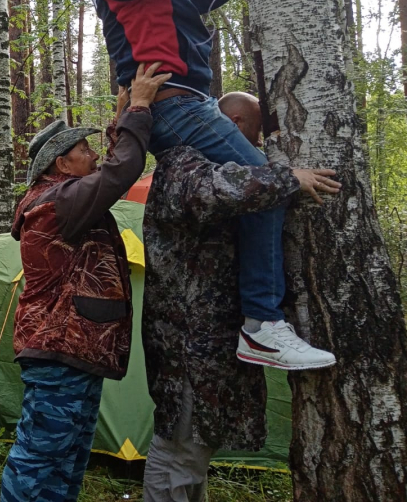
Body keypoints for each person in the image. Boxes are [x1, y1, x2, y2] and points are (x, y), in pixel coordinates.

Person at [90, 0, 335, 370]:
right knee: (266, 188)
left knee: (244, 198)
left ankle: (260, 318)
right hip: (176, 105)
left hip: (186, 105)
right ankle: (262, 325)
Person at [141, 93, 341, 501]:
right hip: (189, 349)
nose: (257, 149)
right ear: (232, 122)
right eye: (254, 134)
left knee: (192, 452)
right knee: (180, 449)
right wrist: (287, 177)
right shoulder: (182, 161)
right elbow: (211, 192)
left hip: (210, 345)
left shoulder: (207, 160)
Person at [0, 62, 170, 502]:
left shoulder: (62, 196)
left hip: (74, 352)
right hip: (60, 351)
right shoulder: (58, 201)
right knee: (40, 459)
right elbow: (120, 172)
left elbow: (109, 169)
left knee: (68, 459)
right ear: (62, 163)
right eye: (83, 150)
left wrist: (121, 119)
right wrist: (137, 108)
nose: (93, 155)